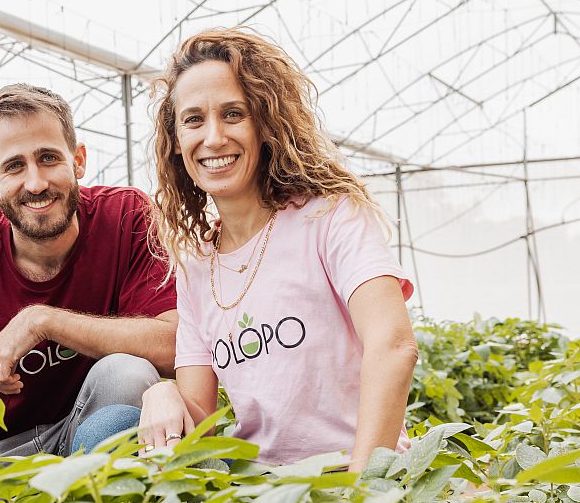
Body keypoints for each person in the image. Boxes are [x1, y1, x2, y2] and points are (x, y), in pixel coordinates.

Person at [140, 28, 418, 472]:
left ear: (265, 123)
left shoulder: (328, 217)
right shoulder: (197, 266)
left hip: (355, 479)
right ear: (175, 140)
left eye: (233, 114)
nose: (213, 138)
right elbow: (200, 423)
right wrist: (161, 392)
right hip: (261, 498)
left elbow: (394, 345)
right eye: (193, 120)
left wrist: (361, 494)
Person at [0, 84, 178, 474]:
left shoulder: (126, 216)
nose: (36, 183)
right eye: (14, 166)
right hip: (4, 449)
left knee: (128, 373)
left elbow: (175, 345)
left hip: (94, 427)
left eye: (48, 158)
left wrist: (43, 321)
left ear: (78, 160)